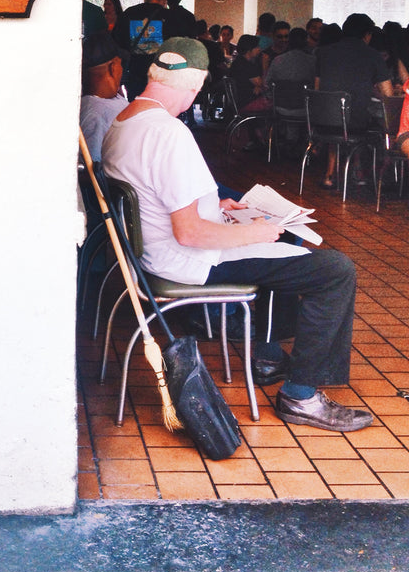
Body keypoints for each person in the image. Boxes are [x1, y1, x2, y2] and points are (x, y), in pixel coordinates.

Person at [102, 37, 372, 433]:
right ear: (195, 85)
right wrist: (256, 232)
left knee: (285, 247)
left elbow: (159, 199)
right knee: (334, 269)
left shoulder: (124, 121)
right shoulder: (169, 132)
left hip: (153, 255)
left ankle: (267, 355)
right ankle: (301, 395)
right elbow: (191, 233)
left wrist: (219, 207)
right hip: (187, 261)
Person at [315, 12, 392, 188]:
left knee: (337, 115)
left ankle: (330, 174)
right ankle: (358, 169)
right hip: (356, 123)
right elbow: (387, 93)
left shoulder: (323, 52)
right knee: (364, 116)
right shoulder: (373, 55)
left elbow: (318, 89)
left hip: (323, 120)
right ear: (367, 35)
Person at [112, 0, 170, 101]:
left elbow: (116, 42)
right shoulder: (169, 16)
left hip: (134, 73)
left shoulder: (130, 13)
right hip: (160, 75)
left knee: (135, 107)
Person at [79, 31, 128, 162]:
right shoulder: (94, 115)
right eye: (120, 64)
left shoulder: (112, 99)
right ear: (113, 67)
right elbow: (94, 166)